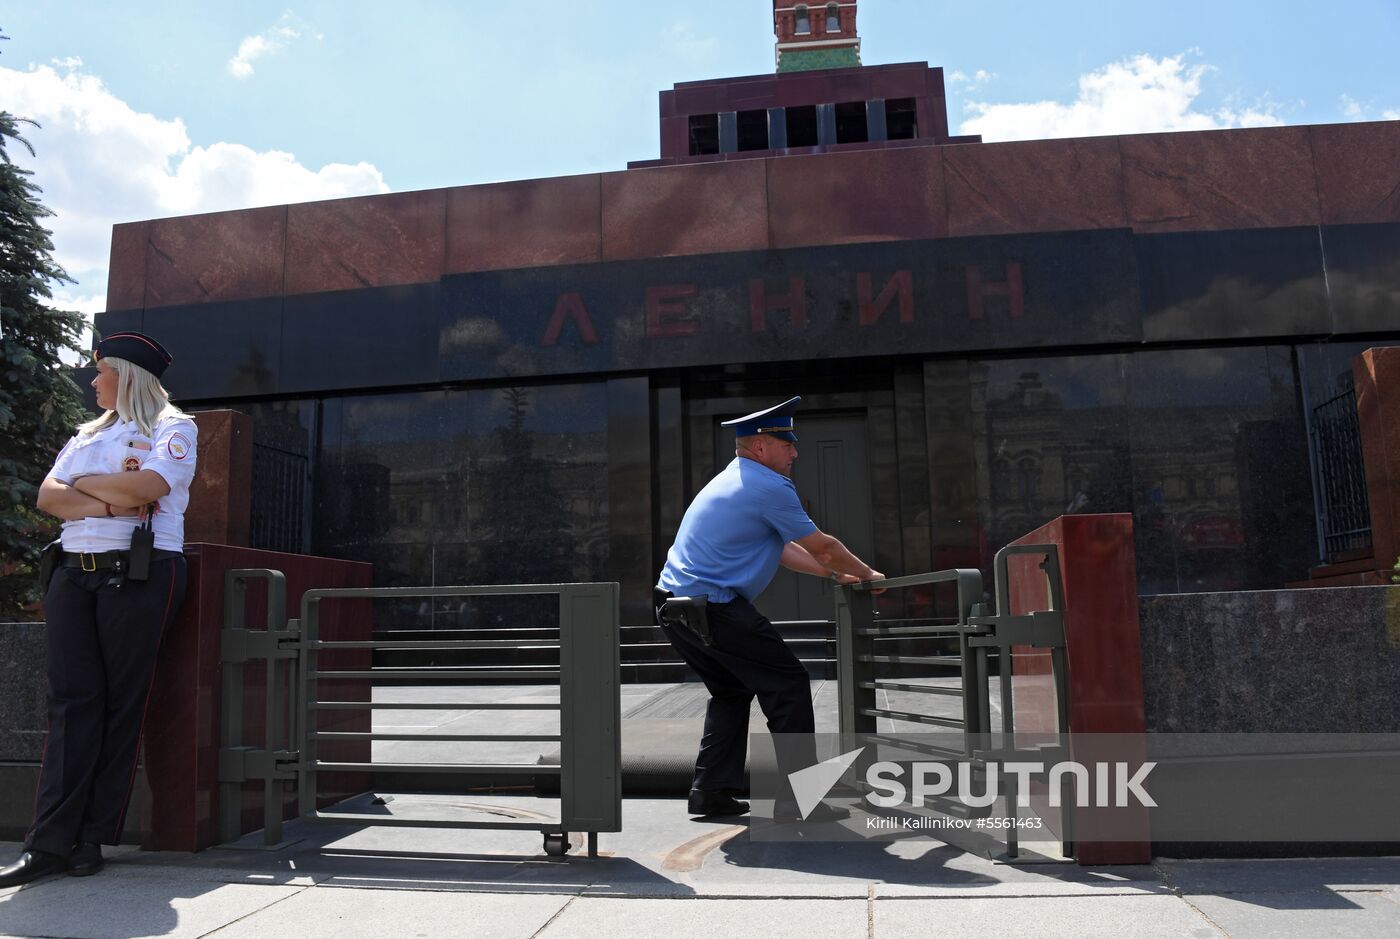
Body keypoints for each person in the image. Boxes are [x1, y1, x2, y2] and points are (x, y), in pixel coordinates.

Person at [0, 332, 197, 887]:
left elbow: (155, 485)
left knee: (119, 707)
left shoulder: (174, 428)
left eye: (101, 372)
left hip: (138, 574)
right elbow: (48, 497)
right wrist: (116, 496)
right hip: (71, 572)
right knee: (71, 704)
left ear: (126, 375)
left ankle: (90, 839)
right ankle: (48, 843)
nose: (92, 382)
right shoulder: (88, 434)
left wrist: (86, 487)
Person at [655, 396, 885, 818]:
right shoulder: (767, 484)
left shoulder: (735, 479)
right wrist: (869, 575)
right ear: (760, 447)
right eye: (787, 444)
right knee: (790, 683)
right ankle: (800, 799)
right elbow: (825, 546)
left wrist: (836, 575)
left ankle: (711, 792)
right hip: (714, 608)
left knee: (732, 691)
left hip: (674, 608)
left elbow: (783, 550)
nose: (795, 452)